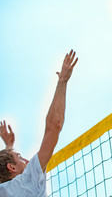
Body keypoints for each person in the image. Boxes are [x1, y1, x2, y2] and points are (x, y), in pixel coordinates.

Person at [0, 50, 78, 197]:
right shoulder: (27, 181)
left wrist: (9, 147)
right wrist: (63, 81)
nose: (26, 160)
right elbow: (54, 125)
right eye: (20, 157)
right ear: (11, 167)